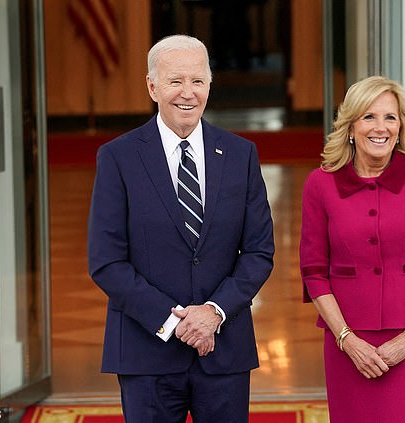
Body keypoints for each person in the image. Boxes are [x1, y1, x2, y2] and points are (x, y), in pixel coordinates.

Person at [88, 34, 274, 423]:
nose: (187, 93)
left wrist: (214, 312)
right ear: (152, 86)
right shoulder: (117, 158)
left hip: (223, 352)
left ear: (209, 84)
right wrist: (176, 322)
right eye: (175, 81)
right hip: (146, 353)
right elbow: (106, 261)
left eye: (198, 81)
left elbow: (259, 252)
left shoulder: (241, 155)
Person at [299, 76, 405, 422]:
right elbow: (314, 272)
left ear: (401, 127)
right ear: (350, 127)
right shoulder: (320, 185)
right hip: (351, 348)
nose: (381, 127)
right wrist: (347, 340)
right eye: (369, 117)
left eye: (390, 117)